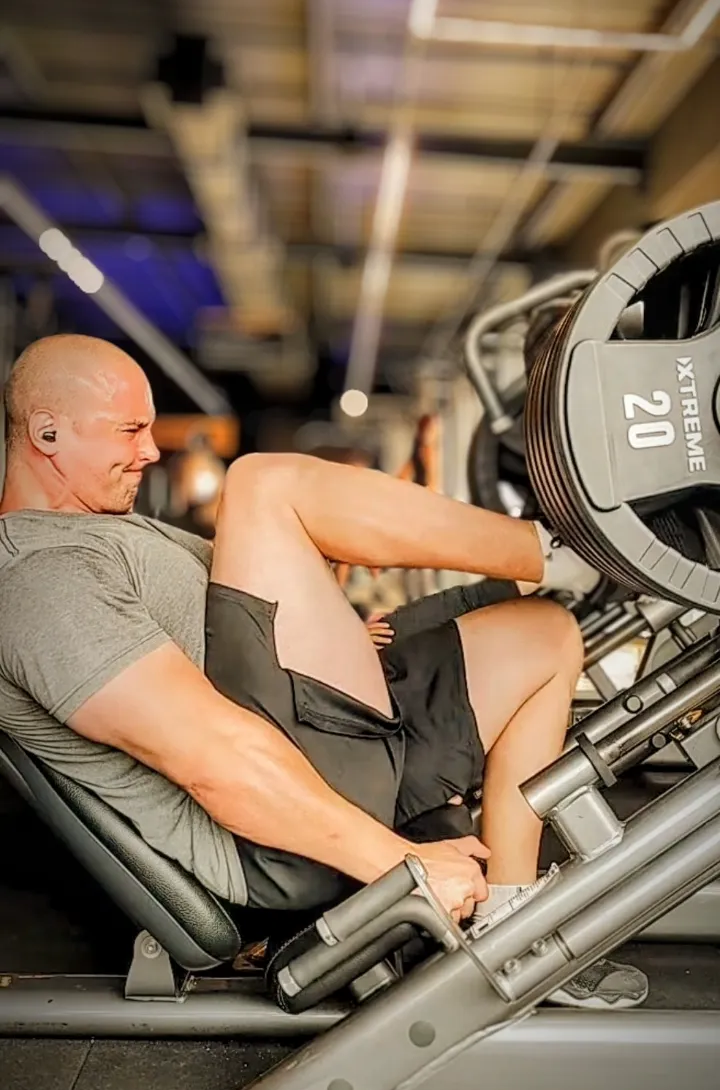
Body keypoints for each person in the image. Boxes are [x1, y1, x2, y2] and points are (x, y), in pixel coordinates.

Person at [0, 335, 647, 1008]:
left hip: (321, 748)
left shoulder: (113, 535)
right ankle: (563, 550)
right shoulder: (38, 577)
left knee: (542, 635)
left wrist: (332, 631)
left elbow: (254, 611)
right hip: (273, 836)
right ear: (47, 432)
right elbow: (212, 757)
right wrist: (404, 865)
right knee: (262, 484)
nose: (151, 451)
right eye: (131, 430)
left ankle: (512, 918)